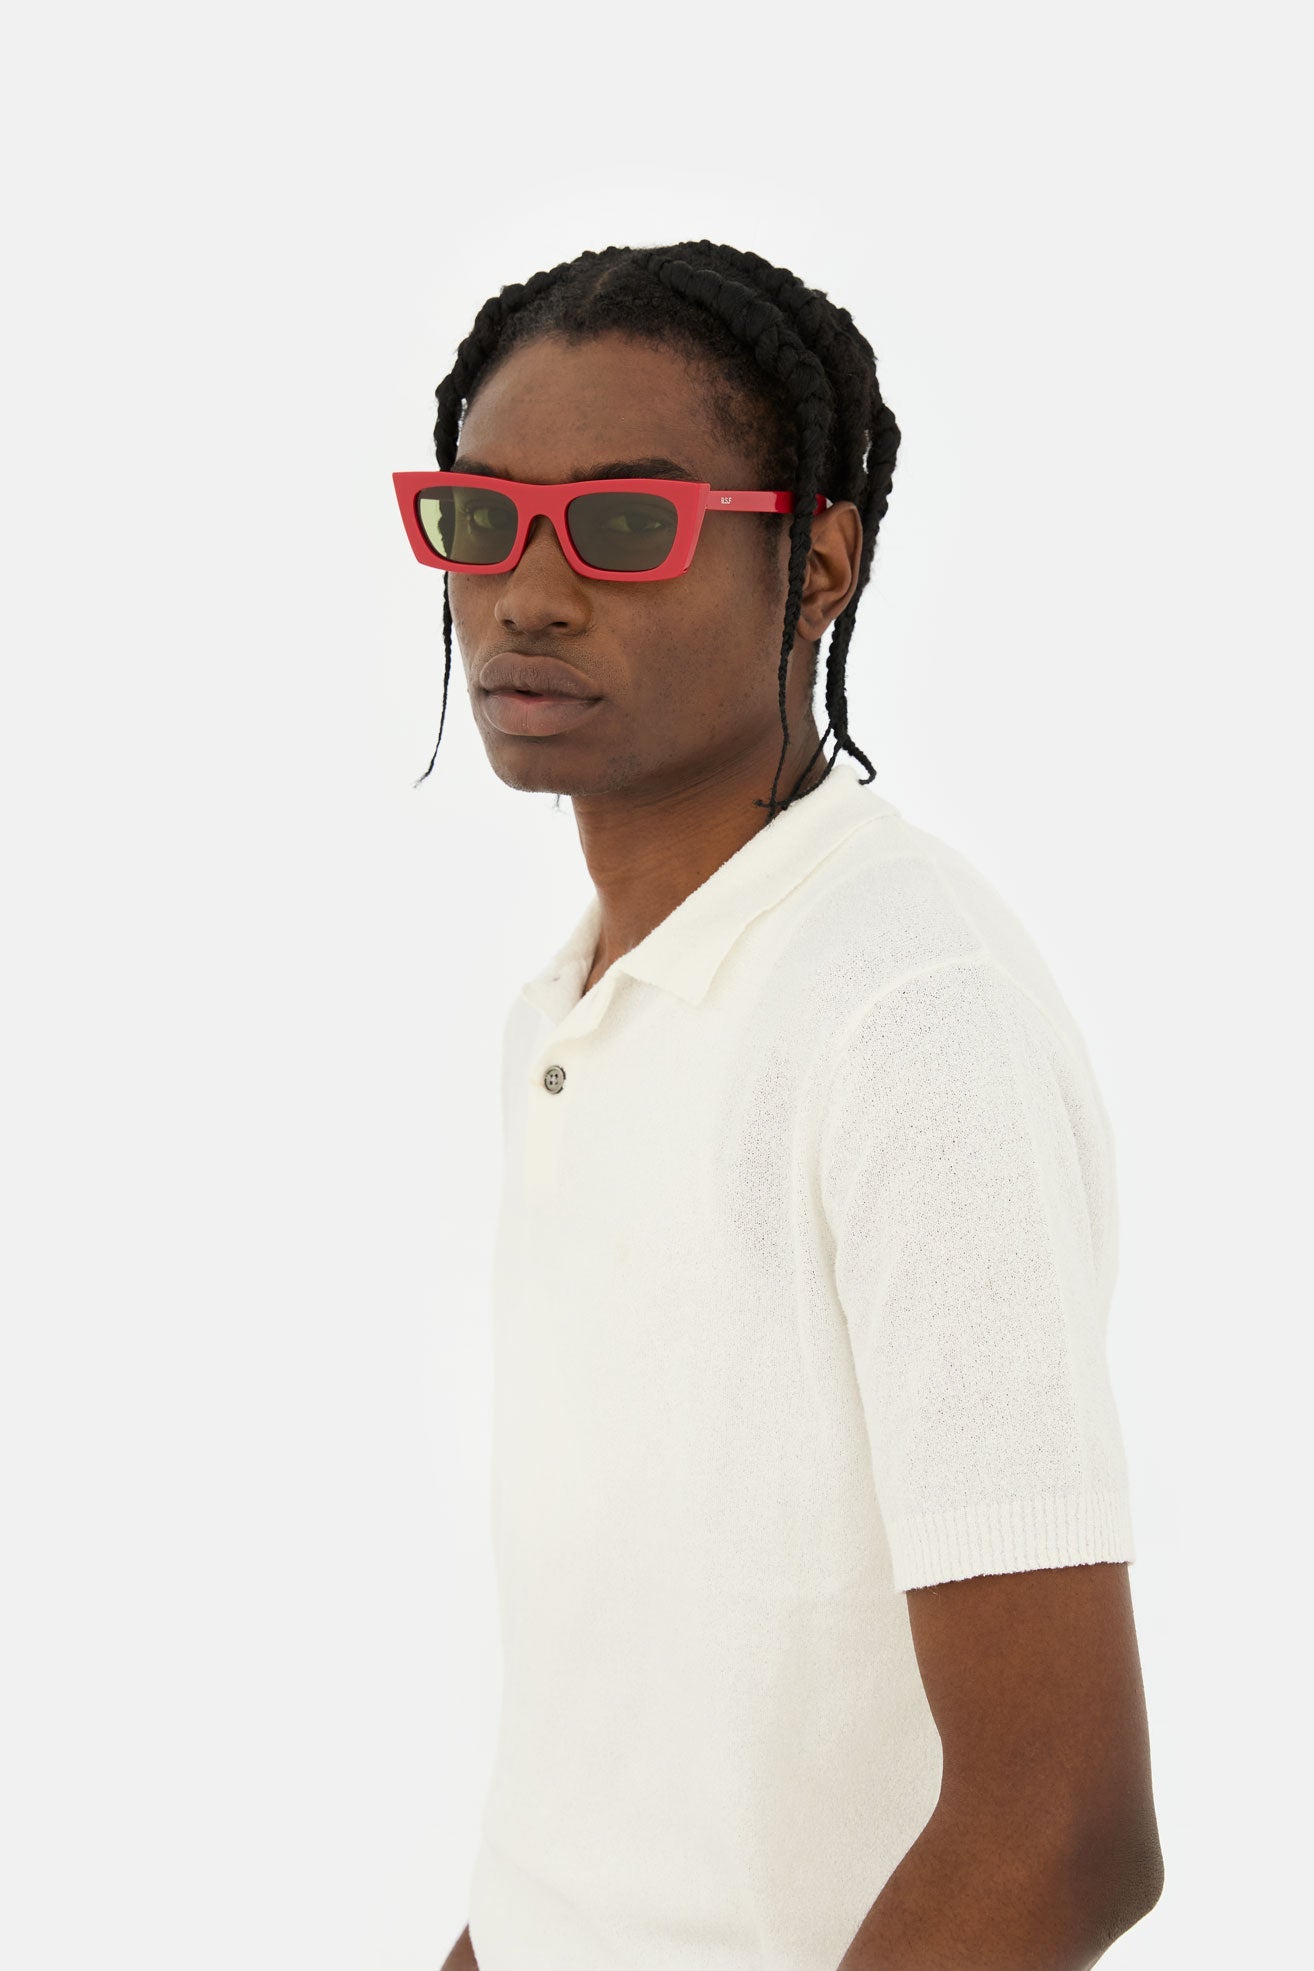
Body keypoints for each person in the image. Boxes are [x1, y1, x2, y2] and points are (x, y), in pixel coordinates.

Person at [396, 241, 1165, 1971]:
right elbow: (631, 1756)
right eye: (479, 518)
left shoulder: (902, 1019)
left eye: (623, 525)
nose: (525, 593)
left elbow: (1062, 1827)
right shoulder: (582, 1003)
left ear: (816, 561)